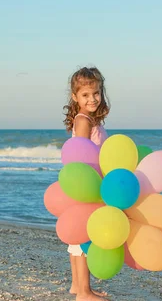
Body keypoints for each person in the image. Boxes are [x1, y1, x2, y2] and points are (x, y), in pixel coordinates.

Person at [62, 66, 110, 300]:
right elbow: (80, 154)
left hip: (86, 184)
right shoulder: (83, 121)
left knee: (76, 236)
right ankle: (84, 292)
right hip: (85, 185)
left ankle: (77, 285)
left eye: (96, 93)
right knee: (82, 237)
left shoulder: (91, 119)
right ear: (75, 97)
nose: (92, 99)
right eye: (85, 95)